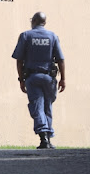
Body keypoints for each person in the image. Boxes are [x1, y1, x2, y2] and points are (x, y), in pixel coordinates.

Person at [12, 12, 66, 149]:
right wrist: (63, 79)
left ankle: (44, 138)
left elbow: (19, 60)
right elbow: (60, 59)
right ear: (44, 22)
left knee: (37, 106)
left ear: (34, 21)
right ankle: (48, 136)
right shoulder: (52, 36)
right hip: (49, 78)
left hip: (33, 77)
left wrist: (21, 79)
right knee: (48, 107)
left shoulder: (26, 36)